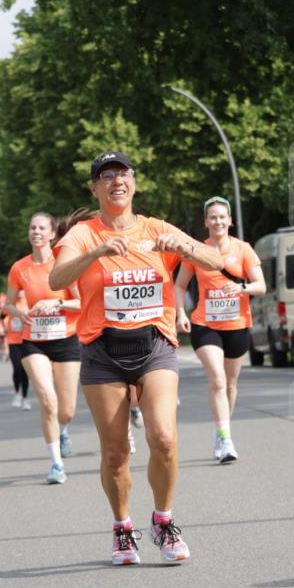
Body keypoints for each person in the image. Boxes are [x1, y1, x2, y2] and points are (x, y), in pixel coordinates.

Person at [50, 150, 224, 566]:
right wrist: (95, 253)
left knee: (163, 438)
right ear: (95, 188)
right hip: (102, 350)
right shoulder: (83, 235)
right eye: (106, 176)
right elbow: (57, 279)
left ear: (134, 183)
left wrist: (184, 246)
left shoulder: (156, 227)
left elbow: (216, 261)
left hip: (155, 344)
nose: (116, 181)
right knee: (115, 453)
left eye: (123, 174)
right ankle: (122, 528)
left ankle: (163, 520)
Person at [174, 196, 266, 464]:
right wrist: (180, 313)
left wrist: (241, 288)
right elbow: (179, 285)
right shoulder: (197, 251)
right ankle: (226, 439)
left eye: (222, 217)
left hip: (237, 324)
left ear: (230, 220)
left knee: (231, 384)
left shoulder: (243, 249)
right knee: (217, 379)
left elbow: (261, 285)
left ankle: (221, 430)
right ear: (206, 222)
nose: (217, 221)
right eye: (212, 217)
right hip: (205, 324)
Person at [6, 212, 81, 485]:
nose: (36, 232)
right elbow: (8, 304)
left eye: (41, 228)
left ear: (52, 234)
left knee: (67, 410)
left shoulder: (64, 264)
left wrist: (57, 303)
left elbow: (83, 303)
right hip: (33, 340)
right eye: (32, 228)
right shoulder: (19, 268)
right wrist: (19, 312)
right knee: (48, 401)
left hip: (66, 339)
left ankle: (64, 431)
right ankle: (56, 464)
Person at [5, 290, 30, 409]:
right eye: (18, 289)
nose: (20, 292)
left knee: (25, 371)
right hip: (13, 341)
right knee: (17, 368)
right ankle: (17, 393)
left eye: (22, 289)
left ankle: (25, 398)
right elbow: (0, 316)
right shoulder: (10, 303)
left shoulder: (30, 302)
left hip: (27, 340)